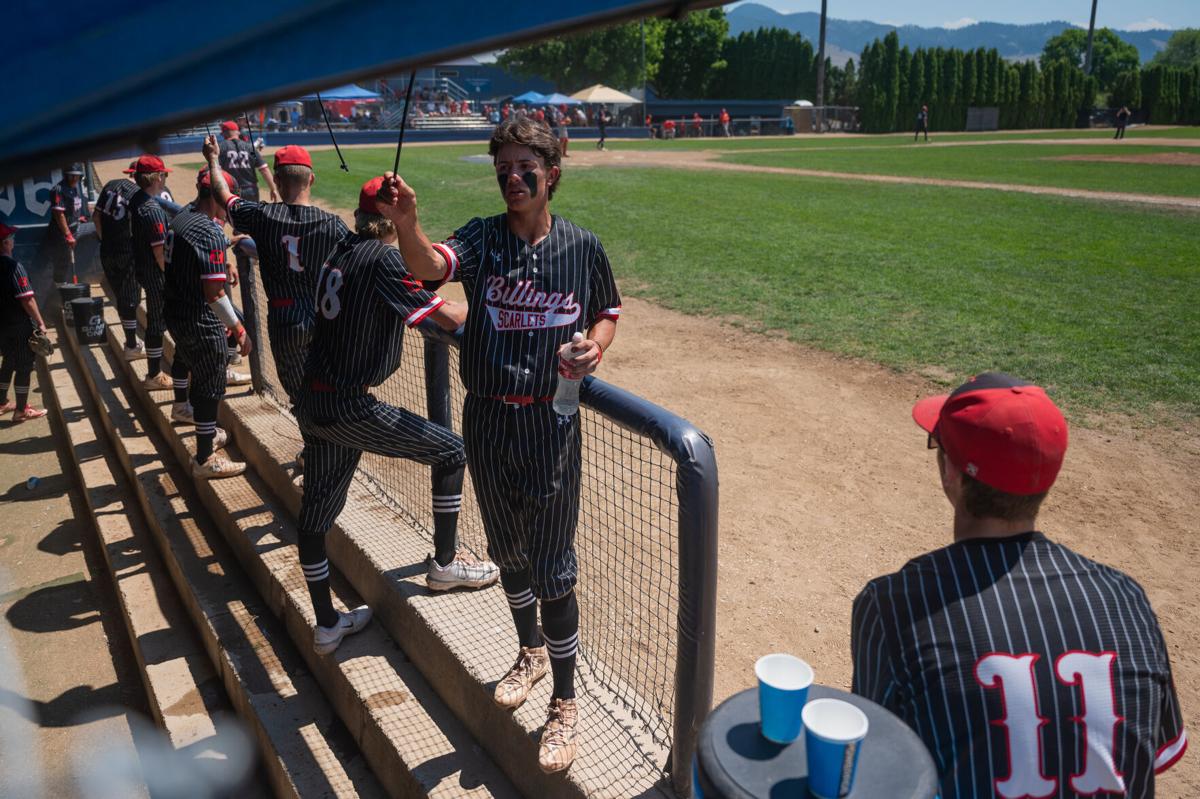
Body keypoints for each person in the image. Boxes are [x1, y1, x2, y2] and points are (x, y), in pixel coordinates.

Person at [380, 115, 622, 774]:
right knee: (509, 550)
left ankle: (566, 701)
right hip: (487, 417)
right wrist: (407, 223)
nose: (514, 179)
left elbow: (608, 310)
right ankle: (530, 650)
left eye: (526, 169)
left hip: (551, 423)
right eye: (504, 170)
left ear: (552, 175)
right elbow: (432, 266)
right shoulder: (484, 239)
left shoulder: (582, 246)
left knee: (553, 565)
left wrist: (593, 348)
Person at [851, 372, 1187, 799]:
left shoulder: (895, 605)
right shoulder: (1127, 600)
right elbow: (1156, 752)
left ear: (951, 471)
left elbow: (872, 765)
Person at [293, 175, 499, 656]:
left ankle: (326, 622)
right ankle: (446, 564)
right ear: (390, 220)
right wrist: (501, 317)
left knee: (315, 515)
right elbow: (444, 315)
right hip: (348, 406)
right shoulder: (383, 258)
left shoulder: (341, 250)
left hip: (313, 401)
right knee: (451, 450)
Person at [201, 137, 348, 435]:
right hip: (325, 320)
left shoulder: (262, 216)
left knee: (300, 395)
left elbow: (221, 193)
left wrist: (214, 159)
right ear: (312, 179)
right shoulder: (333, 224)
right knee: (329, 390)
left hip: (285, 319)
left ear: (277, 181)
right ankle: (329, 444)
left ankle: (314, 448)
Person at [163, 166, 251, 479]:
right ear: (217, 195)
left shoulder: (184, 216)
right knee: (210, 385)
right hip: (199, 318)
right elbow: (215, 294)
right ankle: (204, 459)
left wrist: (223, 253)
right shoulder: (209, 232)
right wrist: (239, 330)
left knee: (198, 375)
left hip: (176, 310)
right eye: (226, 196)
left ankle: (207, 433)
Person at [218, 120, 278, 366]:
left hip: (231, 193)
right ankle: (253, 258)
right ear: (238, 131)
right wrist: (273, 188)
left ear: (224, 132)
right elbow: (264, 169)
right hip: (252, 191)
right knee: (254, 231)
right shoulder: (249, 147)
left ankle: (245, 260)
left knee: (236, 231)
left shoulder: (221, 147)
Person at [127, 156, 177, 391]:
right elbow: (160, 253)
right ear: (157, 177)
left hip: (142, 268)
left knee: (157, 322)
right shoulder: (152, 210)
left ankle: (155, 372)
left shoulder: (136, 199)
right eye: (164, 174)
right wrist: (172, 276)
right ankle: (154, 375)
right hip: (155, 273)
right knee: (157, 324)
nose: (165, 178)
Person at [93, 162, 144, 359]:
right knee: (130, 300)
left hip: (107, 250)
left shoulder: (110, 185)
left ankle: (131, 342)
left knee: (121, 298)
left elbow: (95, 216)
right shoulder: (138, 194)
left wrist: (103, 239)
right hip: (127, 251)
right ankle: (131, 344)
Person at [0, 223, 49, 422]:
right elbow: (27, 298)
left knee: (8, 361)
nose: (13, 241)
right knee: (24, 366)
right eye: (11, 238)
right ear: (5, 244)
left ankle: (2, 402)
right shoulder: (14, 267)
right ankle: (21, 409)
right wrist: (40, 323)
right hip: (19, 325)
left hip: (1, 327)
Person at [35, 163, 89, 285]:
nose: (75, 179)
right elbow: (59, 214)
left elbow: (72, 206)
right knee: (63, 261)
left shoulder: (74, 187)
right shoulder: (58, 189)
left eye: (77, 176)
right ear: (66, 176)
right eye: (72, 176)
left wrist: (78, 217)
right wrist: (68, 235)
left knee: (94, 230)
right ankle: (60, 288)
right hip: (62, 233)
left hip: (75, 226)